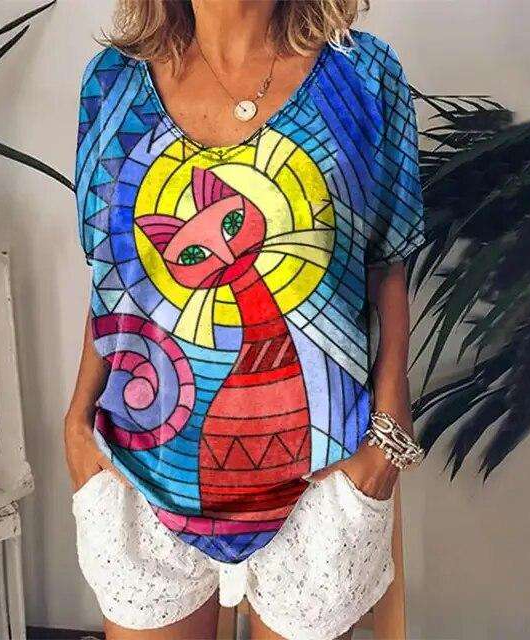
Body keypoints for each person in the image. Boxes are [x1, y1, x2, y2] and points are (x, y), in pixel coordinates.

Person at [65, 1, 426, 638]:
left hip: (322, 479)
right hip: (140, 476)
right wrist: (76, 417)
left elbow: (386, 260)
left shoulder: (363, 75)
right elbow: (112, 279)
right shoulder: (111, 84)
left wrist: (390, 428)